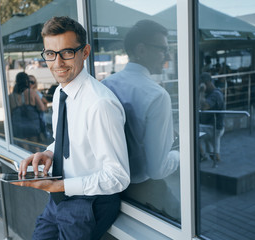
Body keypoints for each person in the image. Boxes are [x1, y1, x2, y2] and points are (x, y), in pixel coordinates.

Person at [13, 16, 130, 240]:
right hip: (59, 198)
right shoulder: (60, 93)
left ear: (84, 52)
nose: (57, 63)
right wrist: (48, 153)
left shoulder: (100, 104)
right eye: (50, 54)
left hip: (89, 204)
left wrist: (61, 186)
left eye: (67, 52)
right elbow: (66, 140)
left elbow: (118, 177)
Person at [103, 20, 180, 221]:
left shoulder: (104, 84)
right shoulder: (157, 96)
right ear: (141, 50)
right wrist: (181, 154)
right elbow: (157, 169)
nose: (168, 56)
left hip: (110, 188)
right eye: (163, 49)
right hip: (142, 191)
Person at [9, 72, 47, 141]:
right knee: (35, 146)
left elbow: (10, 113)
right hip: (32, 124)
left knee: (24, 147)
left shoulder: (11, 96)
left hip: (18, 125)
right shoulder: (32, 92)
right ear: (26, 81)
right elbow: (41, 108)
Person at [199, 72, 225, 162]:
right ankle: (209, 156)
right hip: (212, 126)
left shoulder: (215, 94)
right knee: (214, 153)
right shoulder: (213, 93)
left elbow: (204, 106)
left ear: (207, 83)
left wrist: (201, 91)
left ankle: (202, 155)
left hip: (213, 127)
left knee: (193, 131)